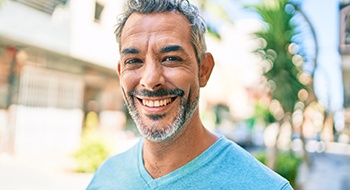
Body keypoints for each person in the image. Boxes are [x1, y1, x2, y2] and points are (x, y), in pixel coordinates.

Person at [87, 0, 293, 189]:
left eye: (170, 58)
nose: (150, 80)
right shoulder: (106, 177)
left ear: (203, 70)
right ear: (120, 72)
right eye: (133, 61)